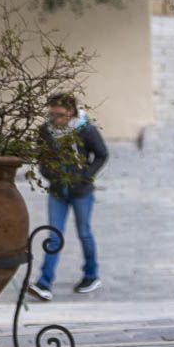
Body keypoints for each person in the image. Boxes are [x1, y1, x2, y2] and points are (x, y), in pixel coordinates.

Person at [28, 93, 109, 301]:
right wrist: (48, 173)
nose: (55, 118)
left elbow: (102, 154)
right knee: (54, 236)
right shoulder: (46, 131)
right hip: (57, 192)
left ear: (71, 112)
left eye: (60, 114)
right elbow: (42, 156)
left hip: (81, 192)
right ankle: (44, 283)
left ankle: (91, 275)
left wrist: (85, 176)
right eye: (52, 113)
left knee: (84, 233)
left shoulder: (86, 130)